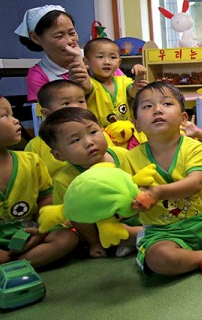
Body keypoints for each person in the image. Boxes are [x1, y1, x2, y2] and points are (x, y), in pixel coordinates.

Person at [122, 81, 202, 276]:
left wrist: (158, 192)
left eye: (166, 104)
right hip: (163, 231)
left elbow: (196, 182)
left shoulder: (194, 147)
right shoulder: (129, 158)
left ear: (183, 118)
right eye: (147, 106)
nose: (157, 110)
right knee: (159, 258)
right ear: (137, 124)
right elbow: (125, 199)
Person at [38, 107, 135, 257]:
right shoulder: (65, 180)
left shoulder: (123, 155)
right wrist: (93, 243)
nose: (89, 142)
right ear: (59, 155)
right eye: (76, 140)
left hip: (137, 213)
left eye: (93, 132)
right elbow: (75, 216)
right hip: (102, 227)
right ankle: (132, 238)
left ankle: (133, 237)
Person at [0, 96, 79, 268]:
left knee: (68, 238)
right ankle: (16, 264)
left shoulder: (31, 161)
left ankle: (14, 264)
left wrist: (41, 229)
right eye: (4, 116)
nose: (16, 121)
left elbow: (46, 199)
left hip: (28, 233)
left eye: (12, 114)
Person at [15, 5, 91, 102]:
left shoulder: (96, 57)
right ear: (35, 38)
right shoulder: (39, 75)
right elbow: (48, 112)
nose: (69, 41)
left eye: (72, 33)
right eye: (59, 36)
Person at [24, 80, 90, 179]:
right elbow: (32, 178)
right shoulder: (36, 146)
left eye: (81, 101)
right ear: (46, 113)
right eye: (66, 103)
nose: (76, 107)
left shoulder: (95, 133)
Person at [83, 38, 147, 126]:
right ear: (87, 62)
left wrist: (139, 77)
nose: (107, 62)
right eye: (100, 57)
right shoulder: (90, 83)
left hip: (126, 132)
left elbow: (134, 93)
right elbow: (85, 87)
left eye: (113, 57)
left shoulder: (123, 80)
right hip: (102, 135)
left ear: (119, 62)